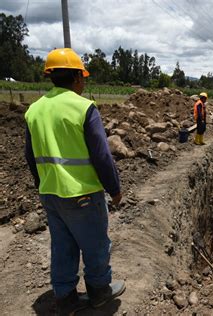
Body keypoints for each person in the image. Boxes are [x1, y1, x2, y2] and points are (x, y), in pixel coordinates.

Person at [24, 48, 125, 315]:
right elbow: (102, 155)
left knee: (62, 246)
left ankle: (66, 298)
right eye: (83, 77)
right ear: (78, 77)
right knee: (95, 246)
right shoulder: (83, 108)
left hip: (51, 195)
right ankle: (100, 292)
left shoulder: (34, 110)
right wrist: (114, 189)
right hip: (82, 194)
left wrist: (43, 184)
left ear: (52, 76)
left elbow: (30, 155)